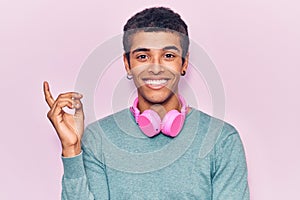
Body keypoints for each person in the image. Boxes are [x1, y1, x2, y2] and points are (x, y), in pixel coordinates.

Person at [44, 7, 249, 199]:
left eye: (168, 55)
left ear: (184, 63)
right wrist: (71, 148)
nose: (156, 68)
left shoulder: (222, 139)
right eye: (143, 56)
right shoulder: (98, 138)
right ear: (127, 64)